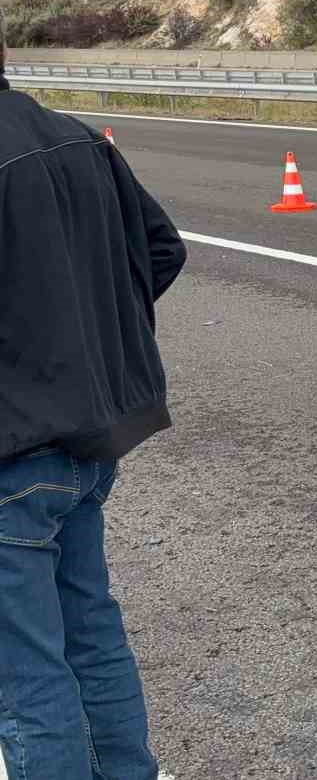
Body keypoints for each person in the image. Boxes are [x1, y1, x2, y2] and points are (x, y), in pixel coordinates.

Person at [0, 42, 185, 779]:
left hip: (11, 456)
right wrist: (93, 355)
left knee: (27, 677)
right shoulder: (77, 138)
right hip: (87, 443)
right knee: (92, 637)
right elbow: (161, 251)